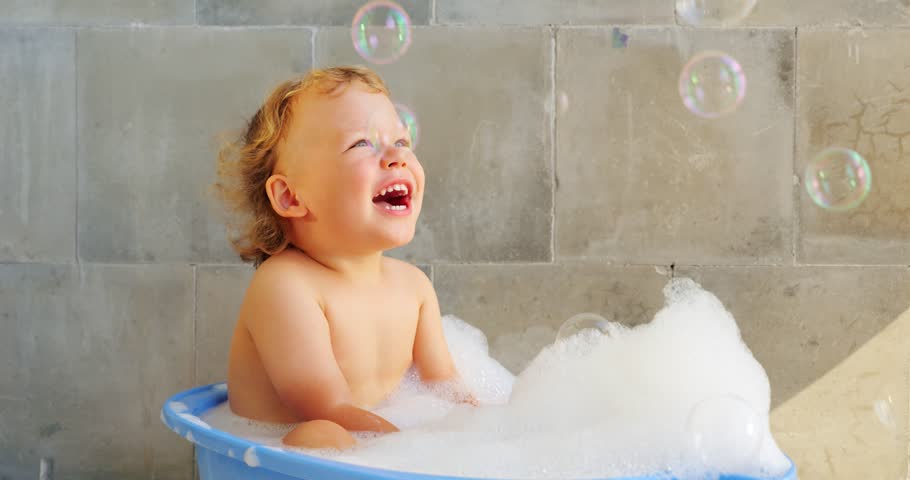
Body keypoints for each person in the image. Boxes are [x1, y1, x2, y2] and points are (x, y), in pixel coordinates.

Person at [215, 66, 475, 450]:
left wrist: (488, 435)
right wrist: (420, 454)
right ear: (290, 197)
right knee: (321, 433)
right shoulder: (285, 286)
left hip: (383, 450)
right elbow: (328, 408)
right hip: (274, 466)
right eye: (361, 144)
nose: (396, 158)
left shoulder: (413, 287)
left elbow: (447, 391)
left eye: (402, 141)